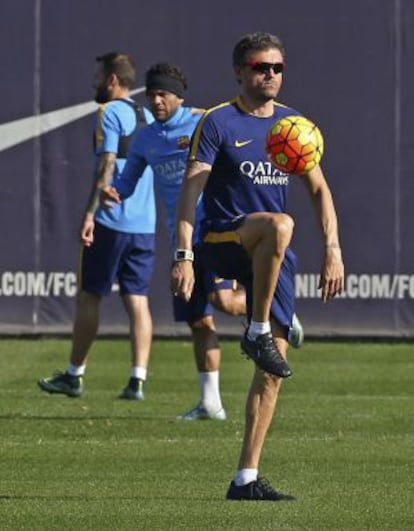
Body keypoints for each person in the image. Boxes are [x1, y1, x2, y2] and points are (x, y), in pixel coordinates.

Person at [171, 32, 344, 501]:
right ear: (239, 71)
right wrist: (184, 254)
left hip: (272, 250)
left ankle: (245, 478)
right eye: (260, 67)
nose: (269, 74)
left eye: (277, 67)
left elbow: (320, 190)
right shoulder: (218, 121)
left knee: (273, 369)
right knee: (280, 223)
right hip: (225, 237)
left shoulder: (295, 127)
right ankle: (256, 328)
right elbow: (190, 191)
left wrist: (333, 248)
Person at [101, 62, 305, 420]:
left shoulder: (203, 122)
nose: (157, 100)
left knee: (224, 300)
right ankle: (210, 402)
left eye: (163, 93)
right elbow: (130, 179)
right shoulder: (147, 138)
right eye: (151, 94)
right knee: (198, 320)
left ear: (179, 96)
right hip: (181, 238)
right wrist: (115, 191)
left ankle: (277, 310)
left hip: (215, 231)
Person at [38, 52, 156, 400]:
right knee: (138, 301)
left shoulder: (109, 113)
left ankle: (74, 375)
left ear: (112, 81)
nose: (94, 83)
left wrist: (90, 212)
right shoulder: (149, 114)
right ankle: (138, 380)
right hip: (144, 226)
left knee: (90, 296)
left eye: (97, 77)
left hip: (112, 221)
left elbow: (106, 165)